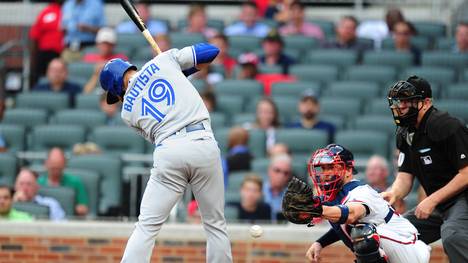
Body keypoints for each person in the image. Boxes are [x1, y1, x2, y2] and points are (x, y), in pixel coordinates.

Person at [99, 43, 233, 262]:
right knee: (215, 224)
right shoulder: (162, 61)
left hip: (169, 151)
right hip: (202, 142)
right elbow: (211, 52)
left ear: (116, 86)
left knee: (146, 227)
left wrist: (176, 70)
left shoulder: (126, 113)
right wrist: (178, 66)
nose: (120, 98)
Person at [292, 144, 430, 263]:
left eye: (332, 167)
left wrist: (316, 209)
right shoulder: (334, 197)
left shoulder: (360, 191)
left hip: (408, 249)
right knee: (358, 230)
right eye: (323, 168)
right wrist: (320, 243)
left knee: (363, 234)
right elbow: (343, 225)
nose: (326, 173)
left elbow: (353, 214)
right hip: (393, 249)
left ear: (348, 170)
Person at [382, 75, 468, 262]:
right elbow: (405, 176)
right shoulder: (405, 132)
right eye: (399, 101)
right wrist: (393, 194)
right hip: (440, 204)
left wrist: (432, 200)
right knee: (390, 234)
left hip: (462, 199)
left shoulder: (447, 125)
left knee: (453, 236)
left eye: (407, 100)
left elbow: (467, 174)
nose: (401, 106)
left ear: (426, 102)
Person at [38, 147, 89, 216]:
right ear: (46, 164)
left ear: (65, 164)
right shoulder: (38, 183)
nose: (55, 172)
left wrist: (74, 207)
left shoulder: (75, 182)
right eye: (53, 168)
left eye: (58, 168)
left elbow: (84, 208)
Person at [29, 0, 65, 87]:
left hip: (61, 53)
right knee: (39, 78)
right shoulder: (46, 11)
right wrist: (33, 57)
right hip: (43, 52)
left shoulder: (69, 10)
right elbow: (34, 36)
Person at [263, 154, 292, 221]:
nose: (281, 176)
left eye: (286, 173)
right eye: (277, 170)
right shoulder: (258, 190)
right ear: (269, 170)